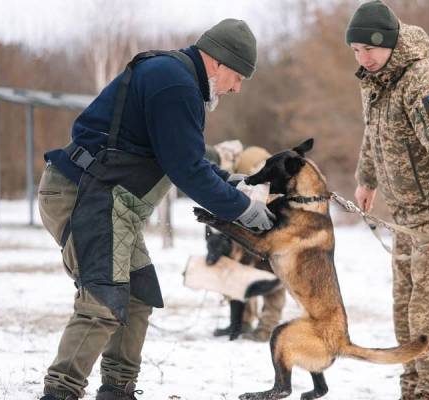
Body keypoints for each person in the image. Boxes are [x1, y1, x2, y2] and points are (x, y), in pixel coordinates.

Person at [37, 19, 274, 400]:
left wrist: (233, 185)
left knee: (138, 295)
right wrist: (243, 210)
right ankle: (60, 392)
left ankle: (118, 389)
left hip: (113, 203)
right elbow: (187, 171)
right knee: (102, 300)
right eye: (238, 76)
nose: (237, 87)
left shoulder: (179, 81)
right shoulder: (175, 83)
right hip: (88, 196)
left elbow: (186, 157)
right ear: (217, 62)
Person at [346, 2, 429, 399]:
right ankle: (411, 392)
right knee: (405, 318)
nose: (363, 58)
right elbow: (373, 134)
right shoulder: (376, 80)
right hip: (404, 216)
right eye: (355, 51)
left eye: (369, 49)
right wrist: (366, 179)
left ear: (388, 43)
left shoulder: (424, 81)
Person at [205, 143, 287, 342]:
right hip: (253, 229)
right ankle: (243, 322)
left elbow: (261, 192)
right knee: (244, 274)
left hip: (273, 229)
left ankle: (267, 327)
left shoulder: (253, 160)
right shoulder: (233, 163)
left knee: (274, 278)